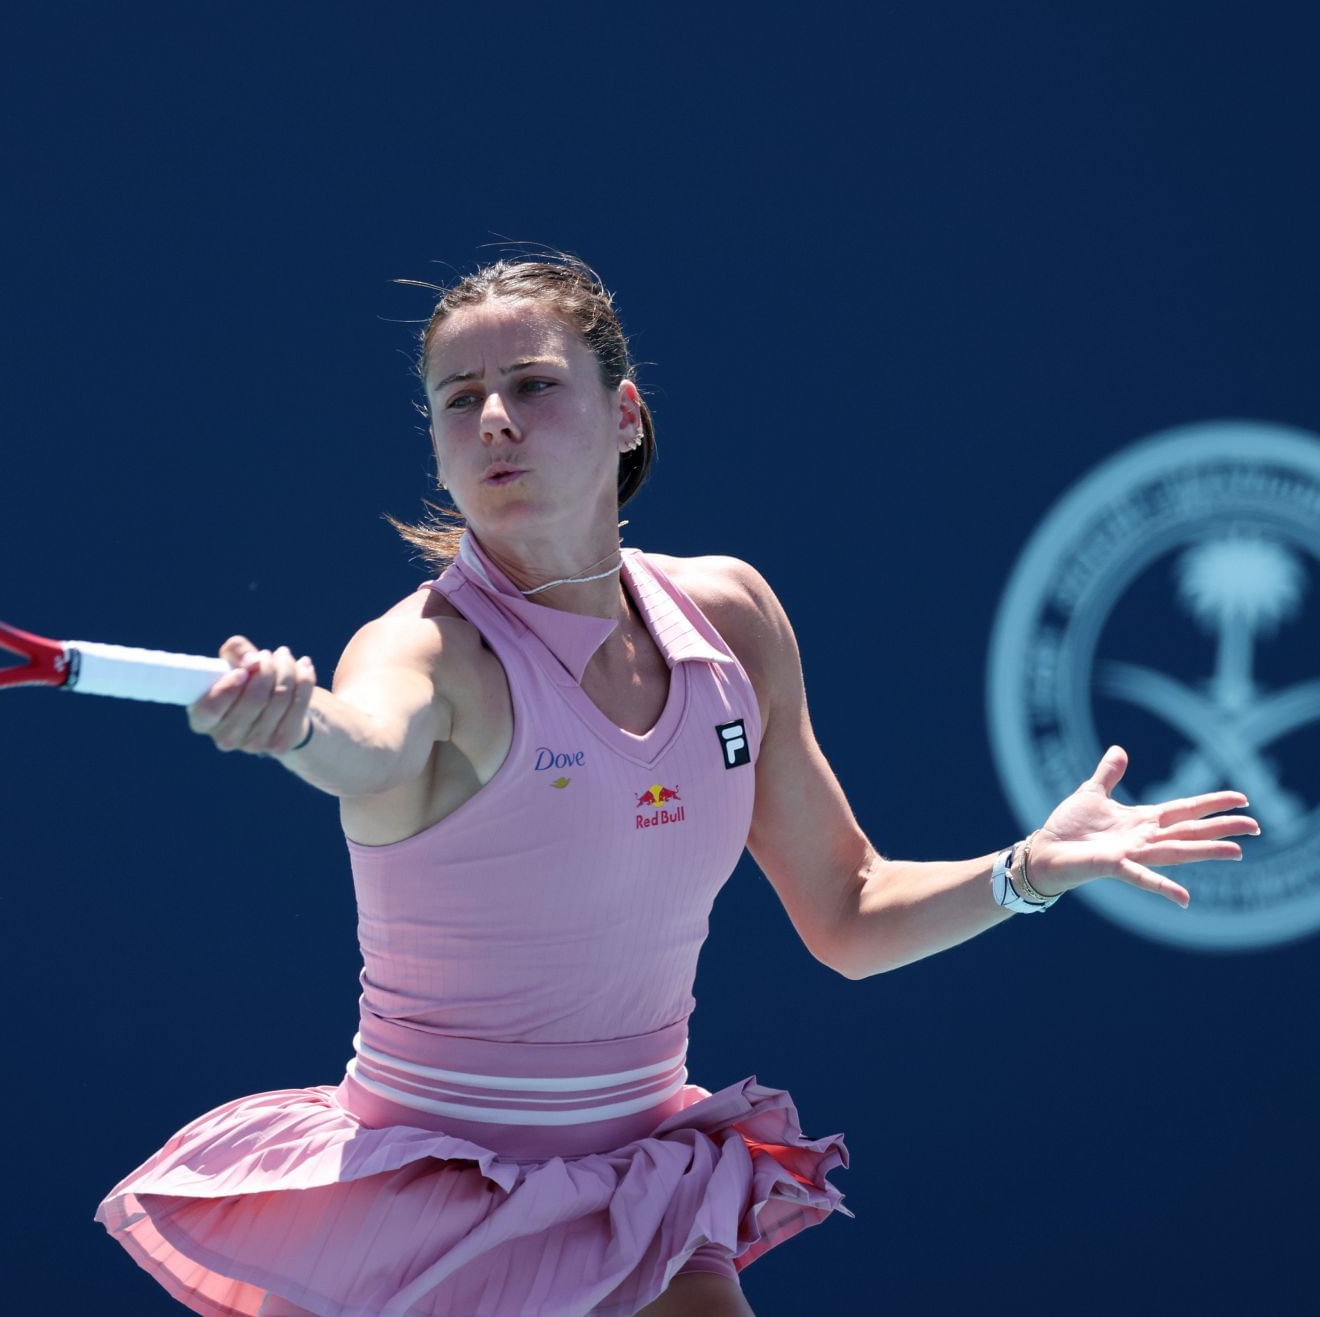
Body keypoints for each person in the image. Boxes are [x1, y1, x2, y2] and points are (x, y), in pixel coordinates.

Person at [93, 253, 1259, 1317]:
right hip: (427, 1212)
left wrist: (1025, 873)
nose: (495, 419)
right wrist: (298, 727)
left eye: (534, 385)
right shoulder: (423, 652)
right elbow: (369, 746)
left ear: (625, 412)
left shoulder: (731, 621)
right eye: (460, 400)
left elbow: (849, 911)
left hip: (630, 1190)